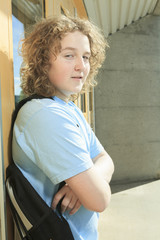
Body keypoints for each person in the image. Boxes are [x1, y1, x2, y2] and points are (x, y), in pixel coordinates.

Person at [12, 15, 114, 240]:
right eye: (69, 55)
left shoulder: (67, 107)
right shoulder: (45, 115)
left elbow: (106, 159)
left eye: (86, 56)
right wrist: (88, 185)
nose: (81, 66)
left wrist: (82, 184)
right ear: (42, 60)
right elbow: (100, 199)